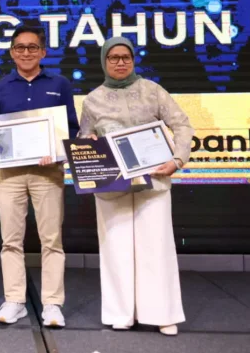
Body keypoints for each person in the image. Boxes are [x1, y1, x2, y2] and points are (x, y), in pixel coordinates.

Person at [79, 36, 194, 336]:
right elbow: (84, 137)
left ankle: (162, 314)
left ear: (133, 59)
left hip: (154, 180)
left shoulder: (152, 90)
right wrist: (88, 142)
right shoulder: (92, 99)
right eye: (113, 57)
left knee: (156, 246)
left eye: (125, 57)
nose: (120, 62)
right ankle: (121, 314)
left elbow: (182, 124)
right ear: (104, 61)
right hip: (112, 185)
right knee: (115, 248)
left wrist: (177, 159)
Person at [0, 26, 79, 327]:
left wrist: (58, 151)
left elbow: (72, 128)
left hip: (48, 172)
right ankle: (15, 300)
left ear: (43, 52)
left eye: (32, 47)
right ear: (12, 52)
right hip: (9, 174)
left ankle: (52, 304)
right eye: (20, 47)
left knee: (52, 240)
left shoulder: (60, 84)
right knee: (10, 240)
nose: (26, 53)